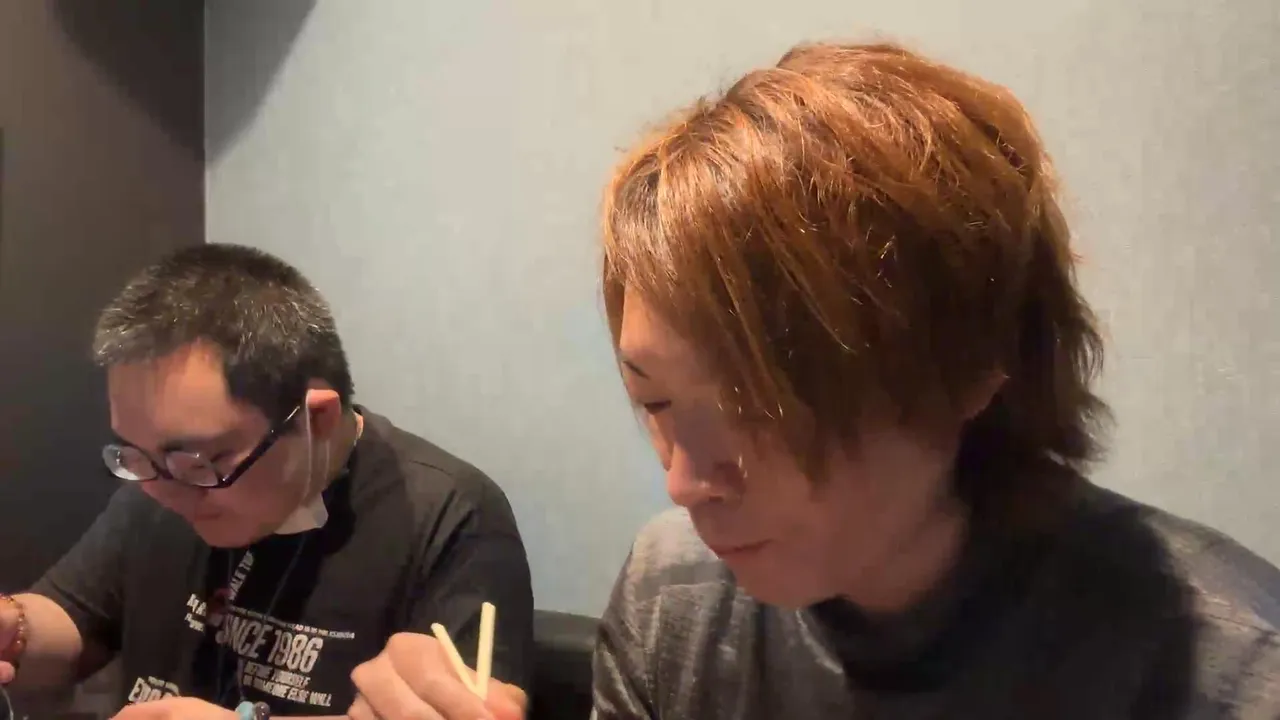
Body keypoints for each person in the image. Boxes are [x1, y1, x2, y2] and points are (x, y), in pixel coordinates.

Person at [586, 42, 1280, 719]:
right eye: (656, 400)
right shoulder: (673, 600)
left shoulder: (1230, 672)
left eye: (759, 399)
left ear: (971, 366)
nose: (685, 483)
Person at [0, 244, 534, 719]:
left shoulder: (447, 513)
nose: (161, 490)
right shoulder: (159, 484)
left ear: (316, 419)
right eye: (137, 453)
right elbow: (71, 621)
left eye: (200, 461)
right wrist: (14, 630)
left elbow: (468, 710)